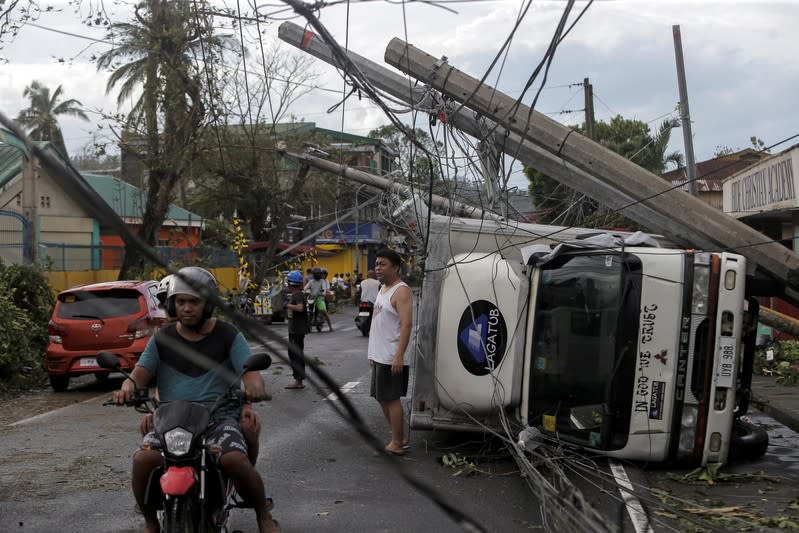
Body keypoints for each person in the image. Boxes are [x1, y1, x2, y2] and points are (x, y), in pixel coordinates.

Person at [112, 266, 279, 533]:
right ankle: (150, 521)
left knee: (234, 459)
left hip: (218, 419)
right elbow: (138, 375)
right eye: (181, 302)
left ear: (208, 304)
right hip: (171, 420)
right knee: (142, 460)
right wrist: (126, 389)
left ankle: (263, 514)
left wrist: (253, 388)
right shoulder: (162, 339)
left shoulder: (228, 335)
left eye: (194, 302)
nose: (187, 308)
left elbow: (251, 374)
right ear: (173, 305)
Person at [367, 249, 413, 455]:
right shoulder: (383, 288)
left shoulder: (401, 291)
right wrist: (372, 353)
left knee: (391, 398)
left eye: (383, 264)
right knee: (381, 397)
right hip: (379, 354)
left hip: (391, 355)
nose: (378, 267)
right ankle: (400, 436)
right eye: (377, 263)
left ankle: (397, 442)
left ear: (395, 267)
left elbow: (406, 325)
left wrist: (399, 355)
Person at [284, 270, 307, 390]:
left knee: (296, 355)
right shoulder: (296, 295)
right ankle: (298, 379)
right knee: (294, 354)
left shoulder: (298, 295)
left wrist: (287, 305)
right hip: (295, 330)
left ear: (290, 284)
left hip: (297, 330)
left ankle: (298, 380)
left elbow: (299, 308)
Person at [304, 267, 333, 331]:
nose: (316, 275)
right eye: (315, 274)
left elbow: (324, 289)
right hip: (311, 298)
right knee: (305, 308)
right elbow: (305, 288)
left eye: (317, 274)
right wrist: (303, 291)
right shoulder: (311, 281)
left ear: (319, 274)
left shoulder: (322, 281)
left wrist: (323, 292)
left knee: (324, 311)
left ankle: (330, 327)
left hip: (319, 298)